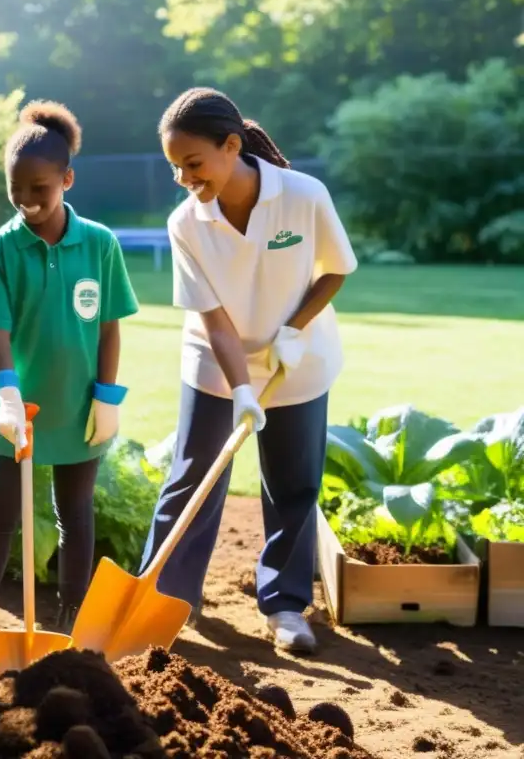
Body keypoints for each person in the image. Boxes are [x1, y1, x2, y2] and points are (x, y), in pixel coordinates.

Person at [141, 87, 358, 655]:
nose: (184, 178)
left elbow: (335, 270)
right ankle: (165, 599)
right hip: (217, 363)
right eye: (174, 168)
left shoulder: (303, 196)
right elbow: (213, 320)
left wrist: (294, 328)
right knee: (193, 478)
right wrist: (240, 387)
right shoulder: (186, 223)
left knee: (294, 484)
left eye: (193, 163)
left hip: (297, 359)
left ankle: (285, 606)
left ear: (232, 145)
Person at [0, 101, 140, 659]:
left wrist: (106, 397)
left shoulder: (99, 244)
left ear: (67, 180)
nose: (28, 202)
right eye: (16, 190)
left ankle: (73, 616)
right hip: (16, 409)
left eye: (40, 189)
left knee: (76, 514)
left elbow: (109, 329)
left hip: (78, 406)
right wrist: (7, 399)